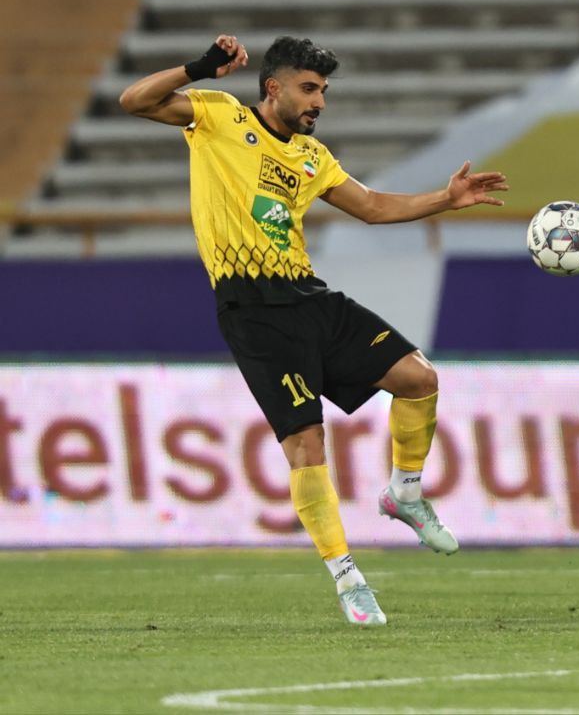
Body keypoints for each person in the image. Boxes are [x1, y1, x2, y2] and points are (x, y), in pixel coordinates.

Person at [119, 34, 508, 626]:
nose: (319, 101)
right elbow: (135, 101)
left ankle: (404, 494)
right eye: (308, 88)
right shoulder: (218, 116)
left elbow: (371, 206)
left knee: (419, 379)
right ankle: (348, 579)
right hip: (252, 310)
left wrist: (445, 199)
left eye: (323, 90)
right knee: (305, 445)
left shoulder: (310, 156)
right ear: (273, 87)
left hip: (308, 296)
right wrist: (200, 68)